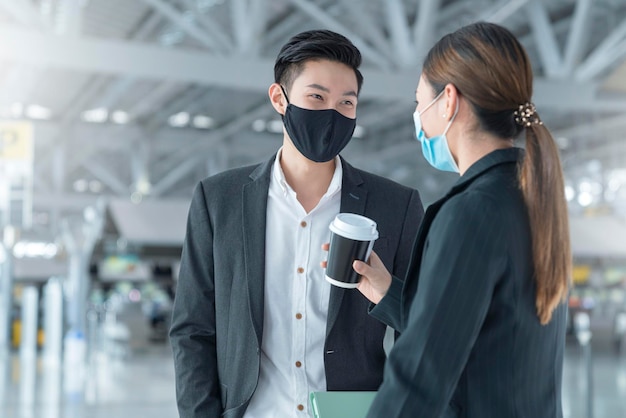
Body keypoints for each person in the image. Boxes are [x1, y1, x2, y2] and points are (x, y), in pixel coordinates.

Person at [169, 29, 424, 418]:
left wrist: (387, 294)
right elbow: (193, 329)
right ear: (279, 98)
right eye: (316, 97)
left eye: (347, 103)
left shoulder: (396, 206)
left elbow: (425, 329)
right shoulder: (219, 199)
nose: (332, 113)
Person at [351, 22, 572, 417]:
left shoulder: (472, 211)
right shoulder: (529, 199)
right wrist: (389, 295)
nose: (418, 117)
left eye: (420, 102)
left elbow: (420, 376)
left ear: (448, 101)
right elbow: (481, 333)